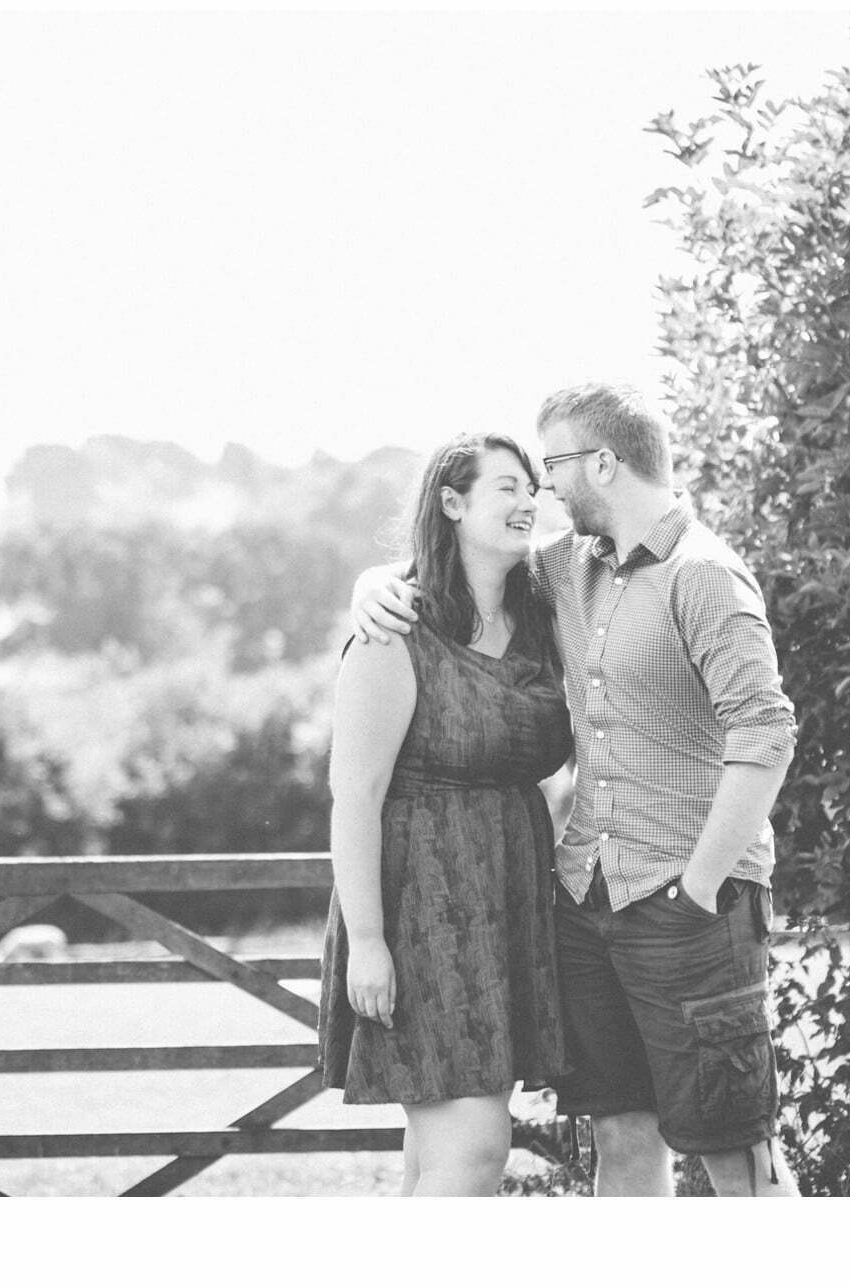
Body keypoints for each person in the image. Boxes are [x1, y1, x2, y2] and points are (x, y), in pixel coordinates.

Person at [351, 384, 800, 1196]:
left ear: (603, 461)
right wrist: (376, 582)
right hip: (588, 905)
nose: (546, 488)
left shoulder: (705, 576)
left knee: (738, 1155)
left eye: (551, 465)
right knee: (623, 1138)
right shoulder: (566, 569)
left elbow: (766, 733)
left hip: (688, 906)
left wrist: (699, 887)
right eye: (527, 476)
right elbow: (462, 554)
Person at [319, 432, 572, 1196]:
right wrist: (367, 941)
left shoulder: (544, 615)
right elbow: (354, 793)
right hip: (419, 911)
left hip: (505, 906)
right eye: (505, 486)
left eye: (532, 486)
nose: (527, 500)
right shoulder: (397, 624)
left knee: (438, 1158)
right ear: (452, 502)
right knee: (473, 1151)